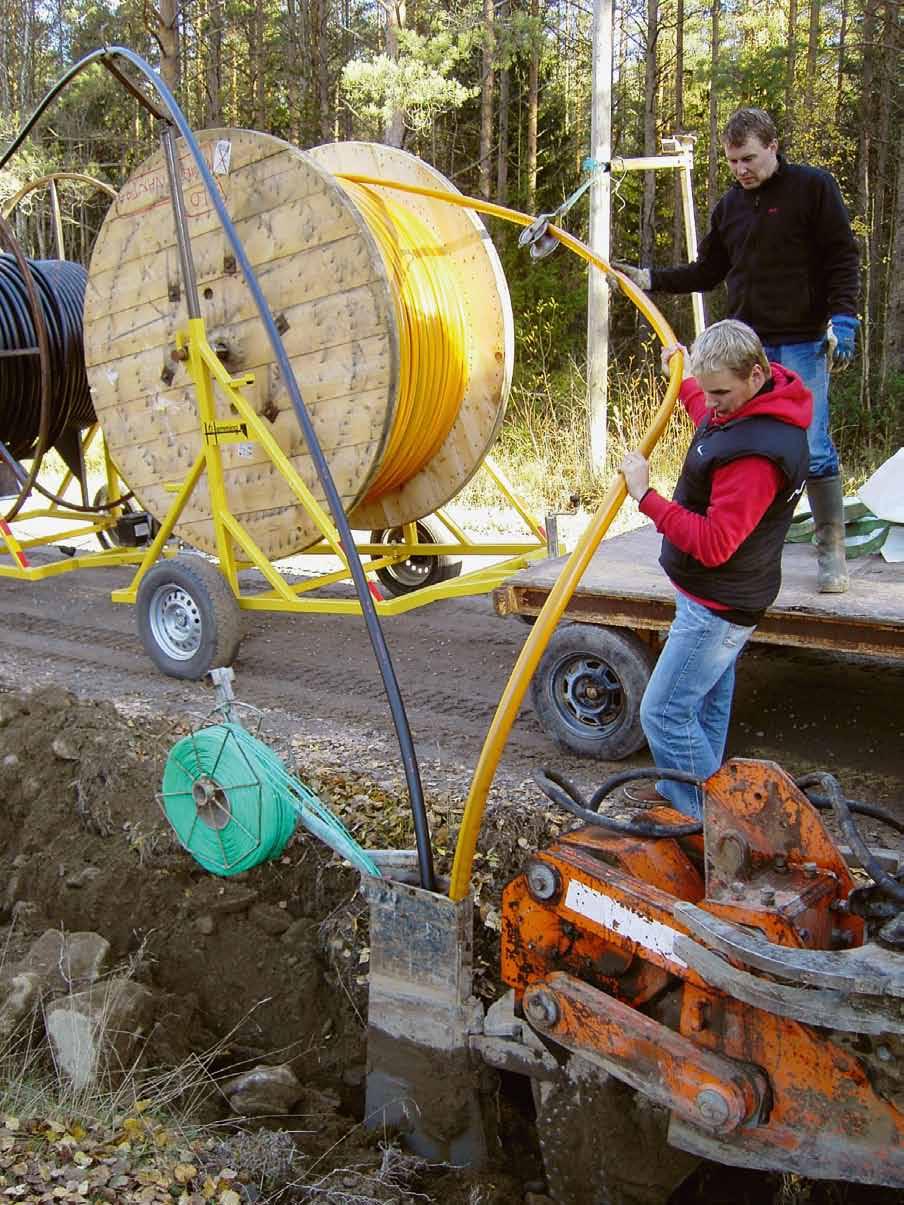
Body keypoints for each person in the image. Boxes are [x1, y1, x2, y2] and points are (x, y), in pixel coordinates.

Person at [614, 107, 859, 593]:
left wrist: (843, 316)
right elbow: (707, 270)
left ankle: (831, 551)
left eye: (748, 158)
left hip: (801, 341)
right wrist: (648, 279)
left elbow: (841, 257)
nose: (741, 170)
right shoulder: (729, 207)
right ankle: (744, 542)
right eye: (732, 162)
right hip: (747, 343)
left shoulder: (813, 188)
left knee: (812, 446)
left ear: (772, 146)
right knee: (733, 437)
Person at [619, 319, 811, 816]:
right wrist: (683, 379)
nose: (714, 403)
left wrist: (646, 497)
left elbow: (714, 544)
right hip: (716, 599)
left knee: (662, 713)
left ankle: (720, 826)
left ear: (755, 373)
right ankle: (686, 798)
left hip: (717, 607)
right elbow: (707, 412)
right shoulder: (745, 409)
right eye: (709, 391)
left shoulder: (756, 455)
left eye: (721, 391)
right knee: (701, 706)